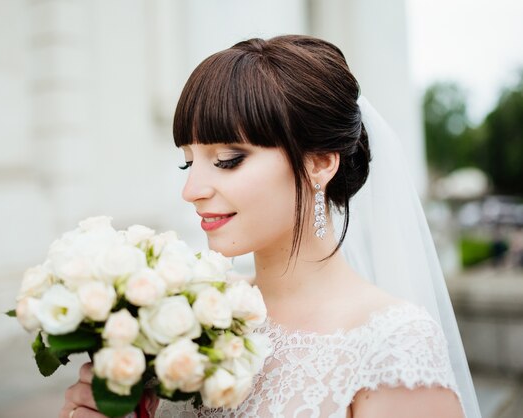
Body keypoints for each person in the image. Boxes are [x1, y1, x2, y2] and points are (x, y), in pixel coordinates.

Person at [60, 35, 481, 418]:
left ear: (320, 162)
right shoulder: (186, 315)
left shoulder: (393, 347)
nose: (191, 190)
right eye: (189, 161)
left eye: (227, 160)